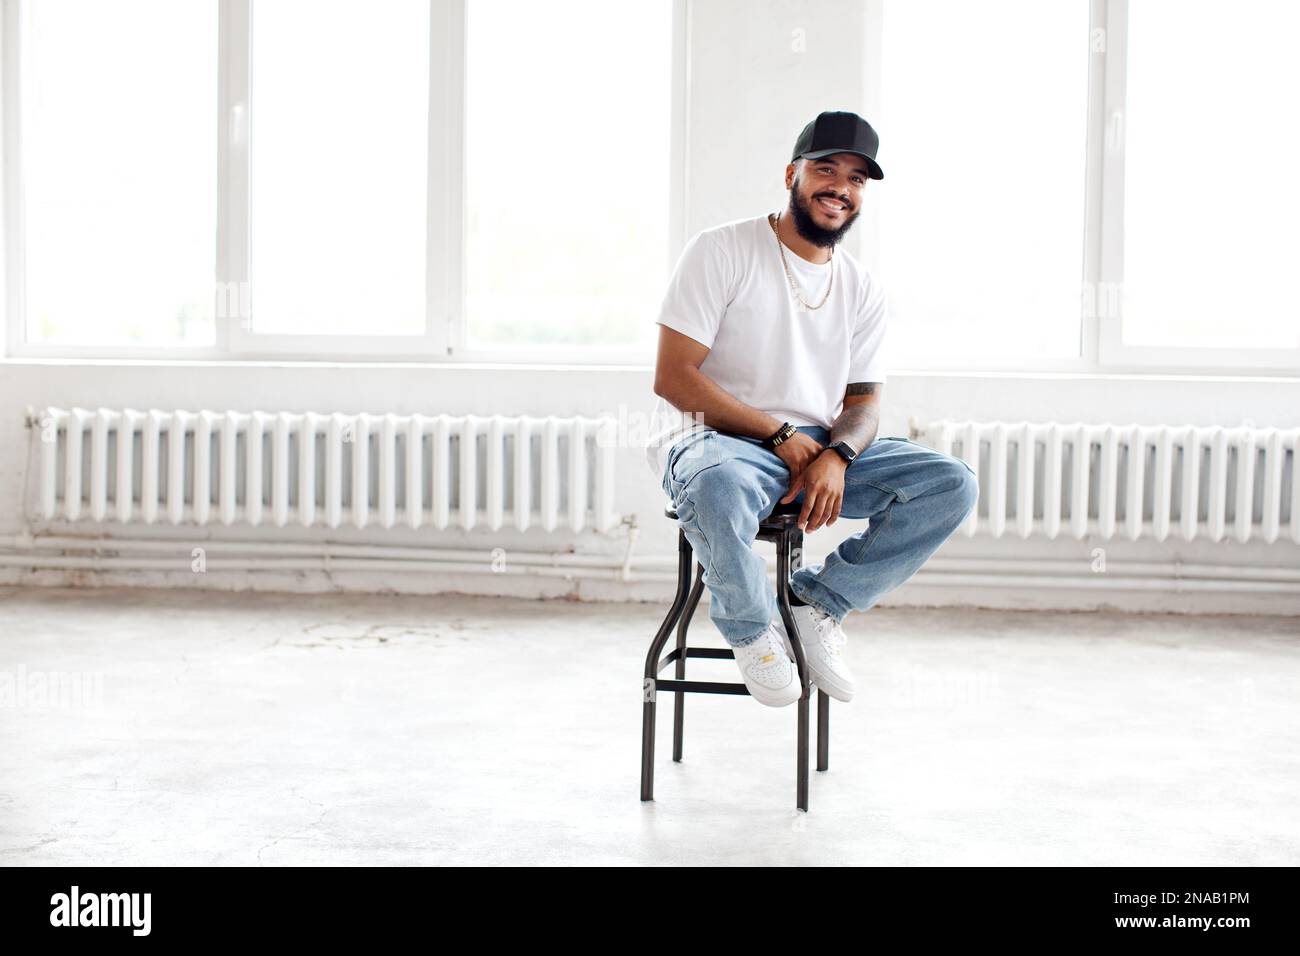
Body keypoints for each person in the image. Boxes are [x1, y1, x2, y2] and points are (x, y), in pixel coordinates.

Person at [646, 110, 979, 708]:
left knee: (950, 484)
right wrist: (778, 435)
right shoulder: (722, 249)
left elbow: (865, 403)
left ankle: (815, 605)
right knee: (716, 487)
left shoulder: (862, 287)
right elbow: (674, 380)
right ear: (791, 174)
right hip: (724, 443)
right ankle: (753, 631)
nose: (840, 188)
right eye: (826, 170)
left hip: (818, 446)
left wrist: (839, 456)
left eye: (856, 179)